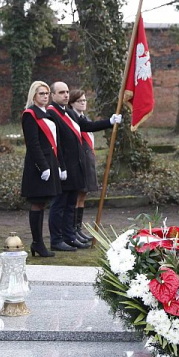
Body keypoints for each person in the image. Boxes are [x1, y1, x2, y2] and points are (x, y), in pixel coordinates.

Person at [46, 81, 120, 251]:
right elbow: (54, 142)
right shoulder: (52, 113)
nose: (65, 95)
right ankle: (56, 239)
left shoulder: (69, 113)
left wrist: (109, 121)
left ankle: (70, 236)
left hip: (76, 165)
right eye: (61, 92)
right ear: (53, 95)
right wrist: (60, 166)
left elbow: (86, 126)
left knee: (71, 203)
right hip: (64, 165)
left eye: (66, 92)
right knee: (59, 205)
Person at [21, 81, 64, 257]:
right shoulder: (30, 114)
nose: (45, 96)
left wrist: (59, 165)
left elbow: (55, 142)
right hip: (38, 165)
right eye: (41, 93)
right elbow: (33, 144)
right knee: (37, 203)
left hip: (50, 162)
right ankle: (37, 243)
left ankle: (38, 243)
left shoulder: (47, 114)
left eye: (47, 93)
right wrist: (43, 166)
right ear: (34, 96)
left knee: (43, 203)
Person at [68, 89, 97, 242]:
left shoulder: (85, 117)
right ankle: (72, 229)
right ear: (72, 103)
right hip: (79, 159)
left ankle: (78, 228)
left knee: (83, 195)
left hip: (88, 157)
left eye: (84, 100)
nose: (83, 103)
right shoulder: (72, 119)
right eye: (80, 101)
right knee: (77, 194)